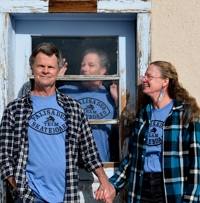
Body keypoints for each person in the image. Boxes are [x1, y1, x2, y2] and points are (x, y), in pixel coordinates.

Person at [0, 42, 114, 203]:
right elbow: (4, 156)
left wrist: (104, 180)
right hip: (31, 198)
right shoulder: (15, 109)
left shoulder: (73, 107)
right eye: (41, 66)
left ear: (58, 70)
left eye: (51, 67)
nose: (46, 71)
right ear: (32, 67)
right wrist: (22, 190)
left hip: (66, 197)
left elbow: (89, 150)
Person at [95, 61, 200, 203]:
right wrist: (112, 186)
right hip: (141, 186)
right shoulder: (144, 113)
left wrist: (191, 198)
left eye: (149, 77)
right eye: (144, 76)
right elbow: (133, 157)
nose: (143, 80)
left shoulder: (186, 113)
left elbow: (197, 162)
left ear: (165, 81)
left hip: (172, 187)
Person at [58, 48, 118, 162]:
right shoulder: (66, 91)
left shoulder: (111, 95)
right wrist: (56, 81)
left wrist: (118, 101)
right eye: (83, 65)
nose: (84, 69)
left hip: (102, 163)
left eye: (91, 65)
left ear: (103, 70)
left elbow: (123, 129)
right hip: (70, 165)